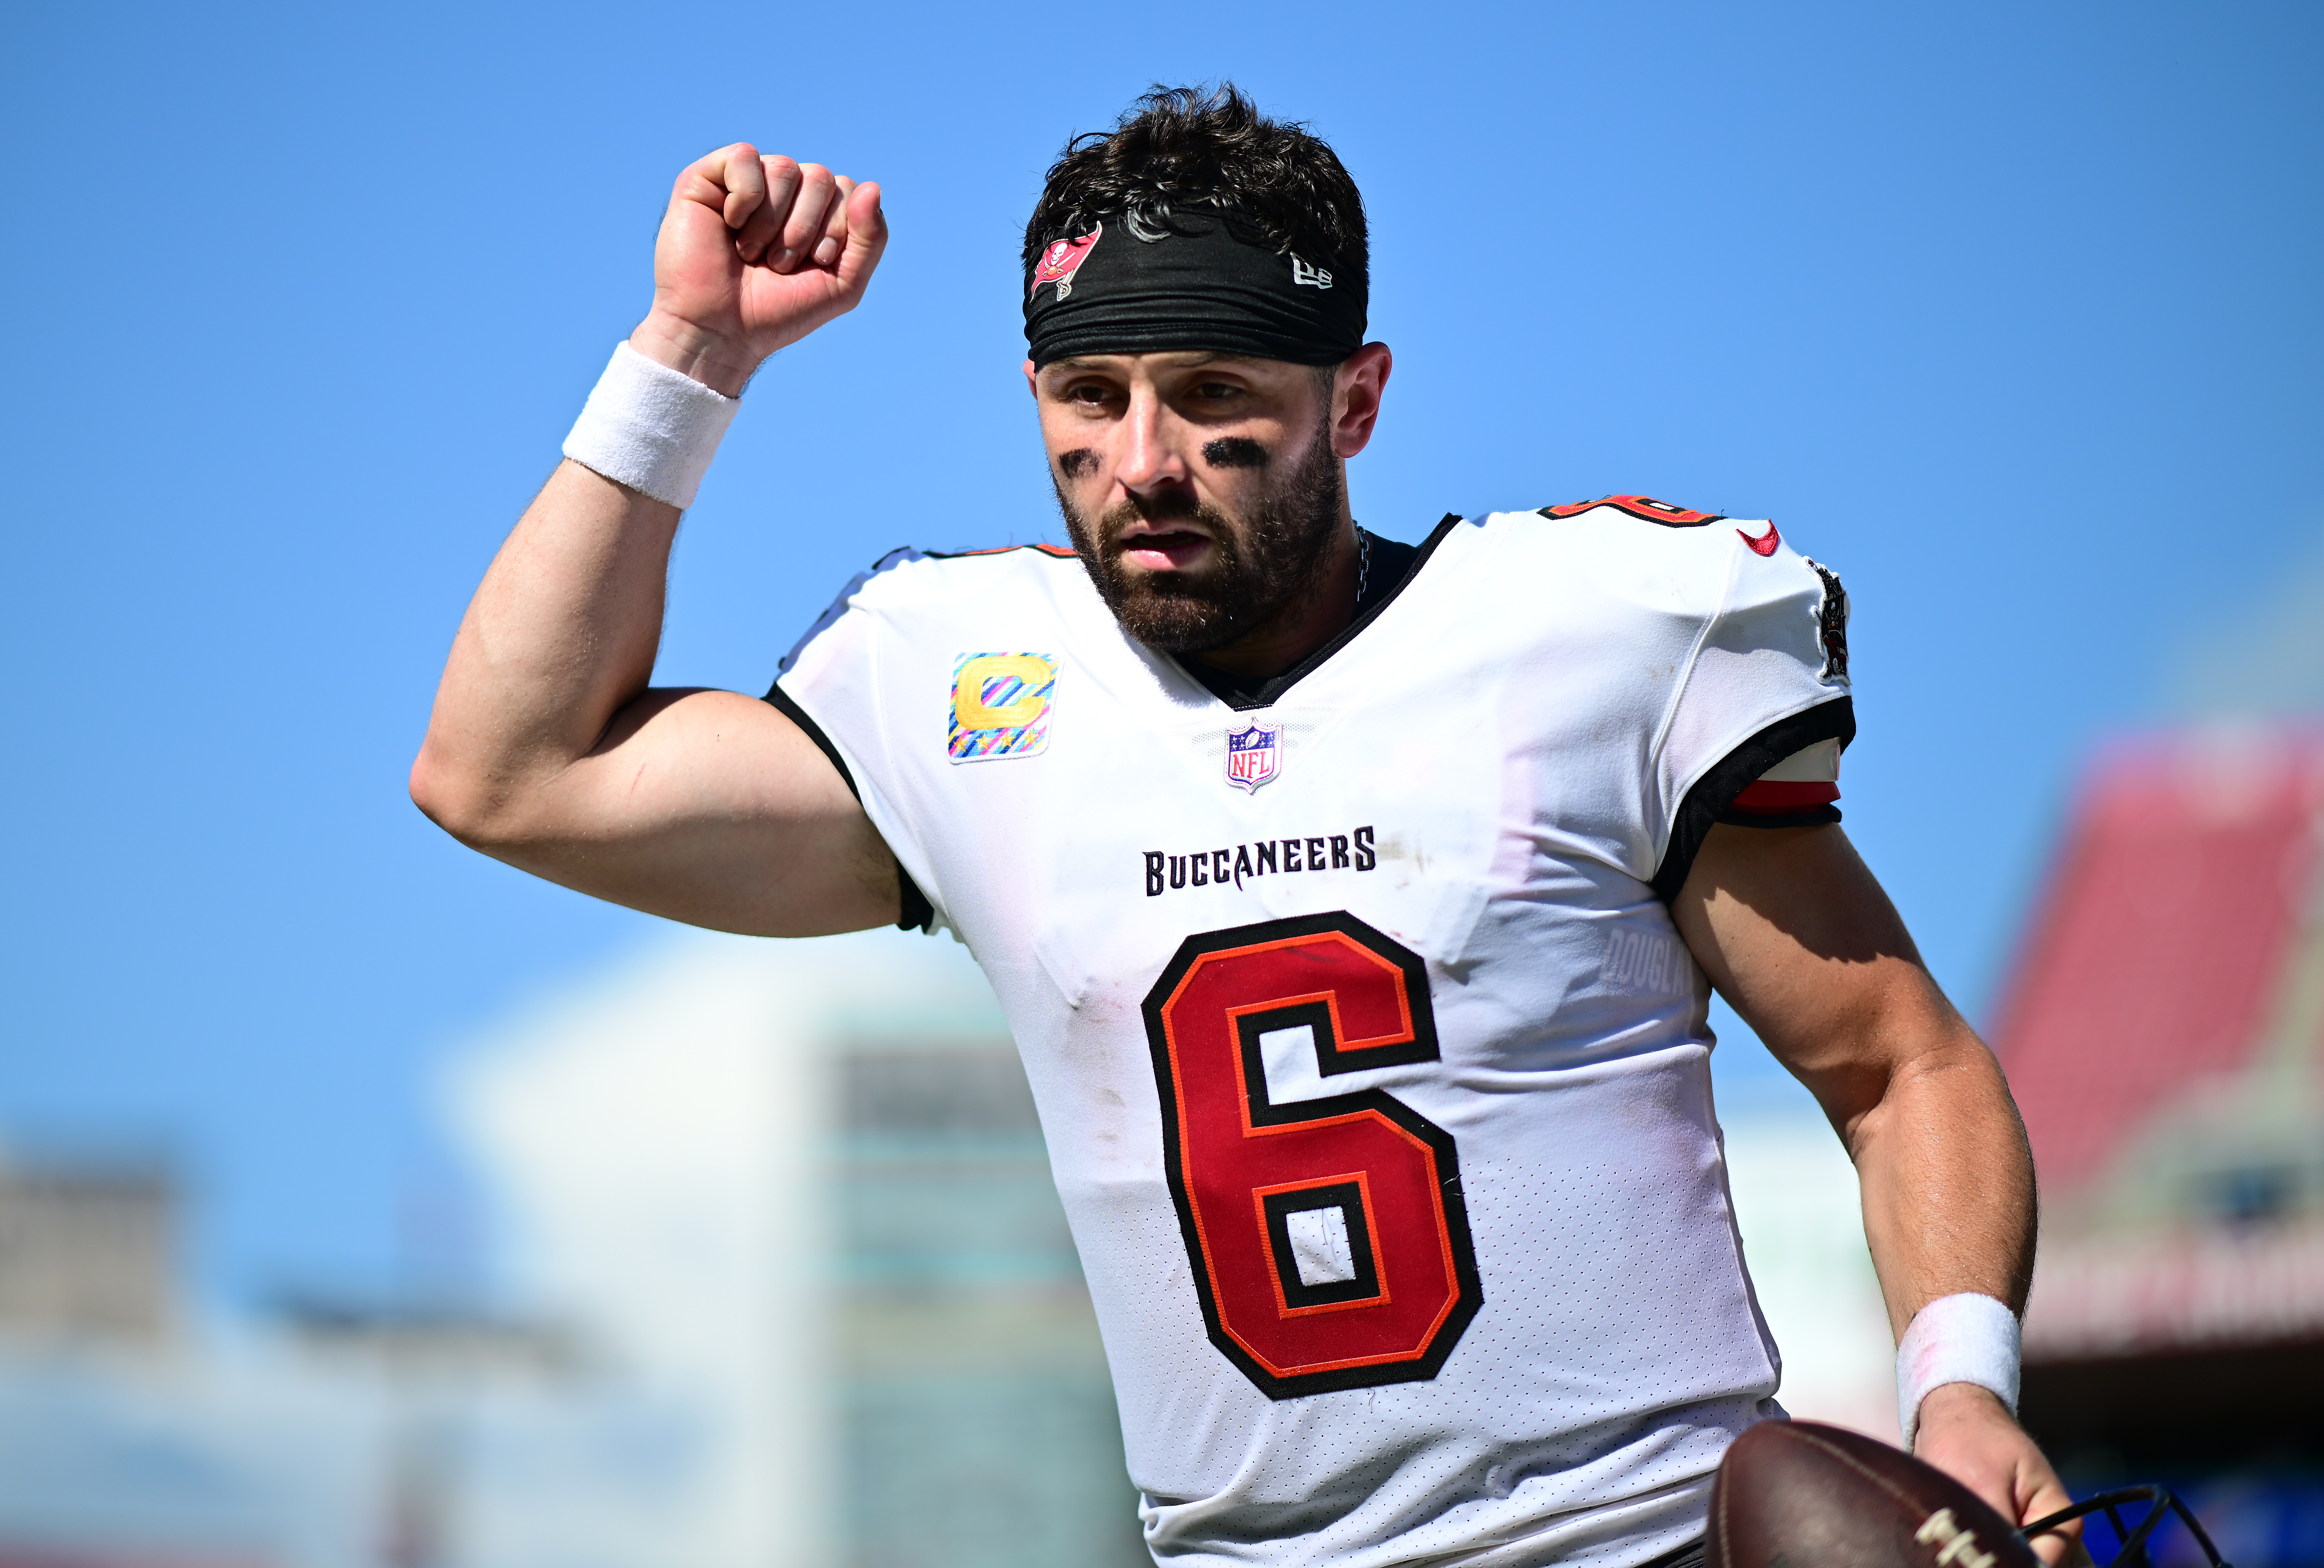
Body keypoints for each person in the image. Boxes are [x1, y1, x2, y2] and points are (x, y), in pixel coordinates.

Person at [412, 85, 2071, 1568]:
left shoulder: (1587, 637)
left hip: (1634, 1538)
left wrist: (1962, 1392)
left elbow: (1893, 1063)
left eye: (1212, 392)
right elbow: (511, 776)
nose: (1141, 460)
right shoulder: (965, 692)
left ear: (1354, 401)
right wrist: (687, 359)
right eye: (1091, 392)